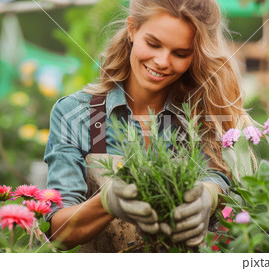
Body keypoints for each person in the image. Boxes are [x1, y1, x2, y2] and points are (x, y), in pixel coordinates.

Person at [44, 0, 251, 252]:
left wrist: (210, 193)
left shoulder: (200, 114)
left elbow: (215, 173)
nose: (163, 61)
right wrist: (107, 201)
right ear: (132, 30)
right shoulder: (74, 114)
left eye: (181, 53)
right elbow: (57, 231)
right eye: (153, 44)